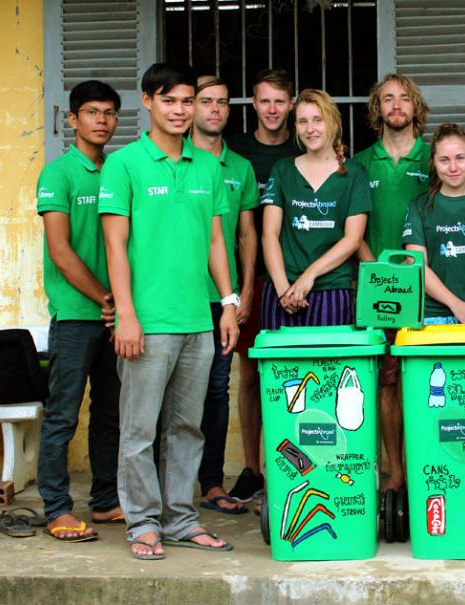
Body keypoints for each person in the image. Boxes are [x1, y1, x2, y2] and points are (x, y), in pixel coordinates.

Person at [99, 62, 240, 560]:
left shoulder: (207, 167)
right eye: (170, 101)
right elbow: (116, 247)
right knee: (139, 429)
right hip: (148, 322)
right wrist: (128, 316)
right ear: (148, 103)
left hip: (198, 321)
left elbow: (218, 241)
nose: (180, 110)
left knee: (187, 427)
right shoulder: (125, 165)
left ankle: (180, 518)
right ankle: (142, 522)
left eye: (187, 101)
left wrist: (228, 302)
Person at [36, 80, 124, 542]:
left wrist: (123, 305)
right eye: (92, 112)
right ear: (72, 120)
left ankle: (106, 500)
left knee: (110, 413)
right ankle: (55, 508)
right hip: (76, 316)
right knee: (63, 415)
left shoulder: (118, 170)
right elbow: (61, 252)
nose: (101, 121)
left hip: (117, 319)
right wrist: (106, 300)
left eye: (109, 113)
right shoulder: (58, 173)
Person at [351, 73, 430, 492]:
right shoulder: (361, 163)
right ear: (377, 109)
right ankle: (395, 472)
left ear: (415, 106)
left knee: (419, 379)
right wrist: (379, 274)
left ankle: (423, 467)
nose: (396, 105)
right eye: (387, 99)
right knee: (385, 379)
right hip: (376, 288)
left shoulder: (434, 158)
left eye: (404, 98)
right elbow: (352, 227)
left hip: (426, 291)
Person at [188, 75, 260, 515]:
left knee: (217, 390)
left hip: (223, 298)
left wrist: (243, 291)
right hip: (177, 298)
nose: (215, 109)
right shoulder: (177, 161)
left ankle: (211, 483)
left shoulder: (241, 168)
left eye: (222, 102)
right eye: (206, 101)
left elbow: (246, 236)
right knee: (176, 392)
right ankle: (166, 487)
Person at [228, 68, 299, 502]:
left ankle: (297, 462)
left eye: (280, 101)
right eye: (264, 101)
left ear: (292, 104)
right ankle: (253, 468)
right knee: (251, 375)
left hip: (299, 281)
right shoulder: (236, 150)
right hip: (246, 276)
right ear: (253, 104)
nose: (272, 109)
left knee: (297, 374)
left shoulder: (304, 144)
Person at [259, 89, 370, 328]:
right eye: (302, 121)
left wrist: (309, 276)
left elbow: (353, 239)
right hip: (281, 289)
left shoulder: (355, 174)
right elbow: (269, 234)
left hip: (331, 289)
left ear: (334, 121)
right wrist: (283, 289)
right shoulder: (282, 170)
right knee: (280, 366)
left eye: (318, 120)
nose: (310, 129)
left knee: (329, 365)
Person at [402, 123, 465, 325]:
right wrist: (457, 306)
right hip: (435, 316)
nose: (453, 167)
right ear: (433, 162)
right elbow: (416, 264)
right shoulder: (418, 206)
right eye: (444, 160)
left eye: (460, 158)